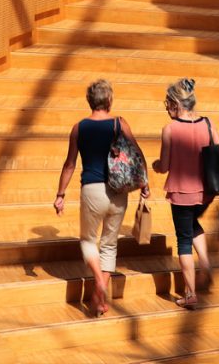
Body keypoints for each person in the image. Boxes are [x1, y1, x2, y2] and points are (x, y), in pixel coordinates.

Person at [53, 79, 149, 316]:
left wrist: (60, 194)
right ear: (109, 101)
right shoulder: (119, 123)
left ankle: (98, 281)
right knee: (109, 244)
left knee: (88, 240)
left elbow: (70, 164)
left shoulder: (79, 128)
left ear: (90, 101)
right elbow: (136, 152)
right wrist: (144, 183)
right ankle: (100, 292)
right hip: (118, 190)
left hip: (92, 189)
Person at [152, 78, 219, 309]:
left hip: (181, 193)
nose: (166, 108)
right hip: (206, 192)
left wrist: (156, 165)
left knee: (183, 240)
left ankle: (190, 294)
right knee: (192, 224)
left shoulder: (170, 130)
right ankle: (205, 263)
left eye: (167, 103)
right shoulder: (207, 123)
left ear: (177, 103)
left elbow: (165, 166)